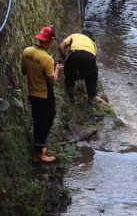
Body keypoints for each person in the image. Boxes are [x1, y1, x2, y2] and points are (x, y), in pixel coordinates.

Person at [22, 25, 63, 163]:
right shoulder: (47, 59)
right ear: (51, 41)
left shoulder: (27, 51)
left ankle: (38, 148)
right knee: (46, 122)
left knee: (37, 121)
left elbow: (24, 71)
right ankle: (39, 155)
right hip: (45, 96)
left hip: (32, 94)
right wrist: (57, 70)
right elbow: (52, 82)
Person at [58, 31, 99, 105]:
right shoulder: (93, 43)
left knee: (69, 75)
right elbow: (93, 59)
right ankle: (90, 101)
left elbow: (61, 47)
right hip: (89, 57)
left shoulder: (75, 35)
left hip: (74, 53)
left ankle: (72, 98)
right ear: (91, 38)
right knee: (92, 79)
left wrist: (65, 59)